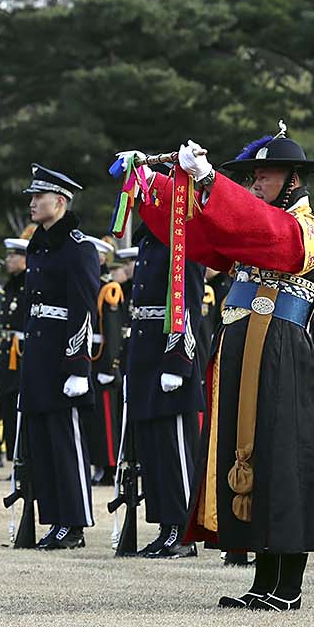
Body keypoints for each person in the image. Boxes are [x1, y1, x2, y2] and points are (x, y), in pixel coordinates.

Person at [126, 123, 314, 608]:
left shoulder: (307, 227)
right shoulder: (252, 223)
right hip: (243, 347)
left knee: (282, 459)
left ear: (293, 180)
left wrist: (210, 181)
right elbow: (200, 234)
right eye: (253, 176)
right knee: (251, 457)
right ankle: (262, 580)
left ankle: (288, 586)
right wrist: (154, 184)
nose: (256, 182)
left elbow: (272, 236)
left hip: (281, 350)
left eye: (265, 175)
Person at [20, 165, 100, 550]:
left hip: (63, 355)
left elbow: (83, 307)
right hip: (39, 351)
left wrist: (78, 365)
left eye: (40, 197)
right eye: (32, 196)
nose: (33, 203)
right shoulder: (39, 244)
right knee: (43, 442)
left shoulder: (78, 246)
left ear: (61, 202)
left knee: (66, 441)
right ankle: (55, 519)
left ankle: (74, 521)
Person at [124, 223, 204, 558]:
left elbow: (189, 303)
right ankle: (165, 527)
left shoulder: (183, 237)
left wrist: (178, 361)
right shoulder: (151, 239)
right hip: (146, 352)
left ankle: (182, 531)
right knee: (153, 449)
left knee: (174, 450)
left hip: (169, 355)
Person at [90, 237, 125, 487]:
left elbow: (112, 331)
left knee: (106, 420)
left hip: (102, 360)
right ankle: (98, 464)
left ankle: (109, 465)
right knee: (94, 420)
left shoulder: (108, 288)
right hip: (89, 358)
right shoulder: (89, 282)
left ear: (102, 258)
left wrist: (111, 366)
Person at [0, 237, 27, 477]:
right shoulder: (10, 286)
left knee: (19, 408)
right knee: (8, 409)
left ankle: (23, 460)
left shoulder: (28, 284)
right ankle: (14, 460)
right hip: (8, 353)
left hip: (22, 352)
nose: (8, 260)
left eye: (13, 256)